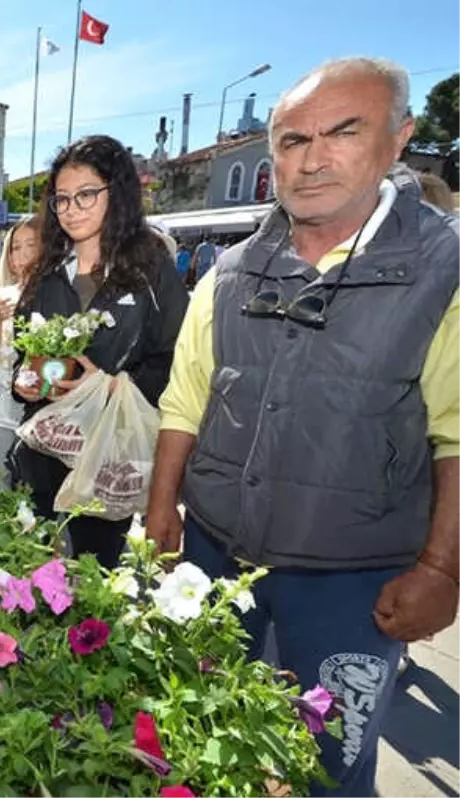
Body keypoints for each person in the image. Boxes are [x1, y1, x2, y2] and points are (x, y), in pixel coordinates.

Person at [145, 58, 460, 797]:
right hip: (218, 558)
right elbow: (185, 400)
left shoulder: (444, 270)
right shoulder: (229, 270)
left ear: (399, 139)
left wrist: (443, 570)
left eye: (343, 132)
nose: (311, 159)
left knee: (327, 767)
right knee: (197, 738)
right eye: (290, 141)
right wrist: (162, 509)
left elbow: (456, 431)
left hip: (353, 578)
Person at [9, 135, 189, 570]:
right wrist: (24, 384)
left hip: (110, 458)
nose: (71, 209)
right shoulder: (46, 273)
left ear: (118, 193)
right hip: (43, 452)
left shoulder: (151, 270)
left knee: (95, 576)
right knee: (30, 574)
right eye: (62, 199)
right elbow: (22, 354)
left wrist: (108, 386)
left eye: (86, 195)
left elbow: (177, 364)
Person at [0, 217, 41, 485]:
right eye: (15, 247)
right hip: (0, 408)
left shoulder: (59, 296)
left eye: (31, 245)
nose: (22, 254)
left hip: (41, 413)